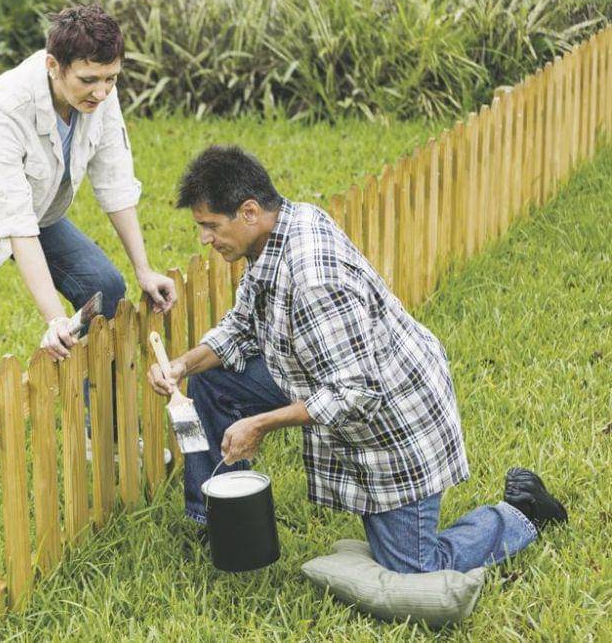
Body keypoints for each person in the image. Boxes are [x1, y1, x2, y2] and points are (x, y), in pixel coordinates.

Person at [148, 145, 568, 573]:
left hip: (394, 417)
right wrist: (183, 365)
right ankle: (217, 518)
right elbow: (242, 325)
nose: (204, 239)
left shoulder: (313, 277)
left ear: (250, 212)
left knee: (413, 567)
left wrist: (260, 424)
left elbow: (356, 393)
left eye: (210, 226)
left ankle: (522, 511)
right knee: (213, 377)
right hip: (328, 376)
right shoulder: (278, 232)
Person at [0, 5, 175, 434]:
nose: (101, 92)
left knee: (105, 286)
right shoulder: (4, 108)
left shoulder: (99, 94)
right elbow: (16, 223)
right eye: (89, 80)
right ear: (53, 66)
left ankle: (104, 433)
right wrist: (54, 318)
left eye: (111, 78)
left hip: (29, 204)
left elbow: (114, 180)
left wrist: (143, 269)